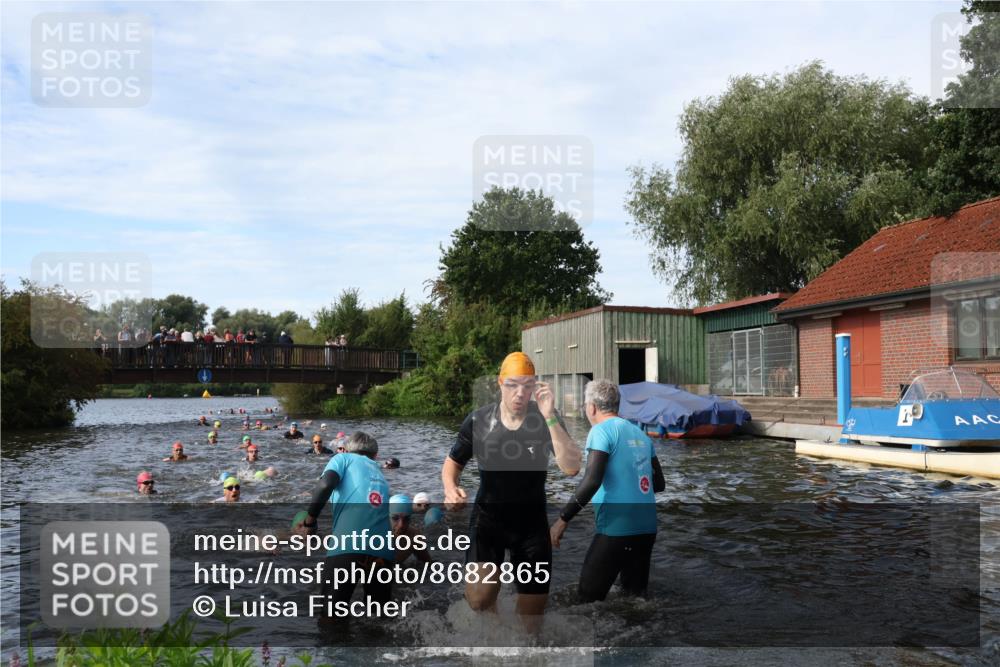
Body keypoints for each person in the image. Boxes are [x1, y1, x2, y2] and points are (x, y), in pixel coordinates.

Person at [441, 351, 581, 628]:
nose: (520, 393)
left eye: (527, 386)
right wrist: (450, 488)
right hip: (488, 521)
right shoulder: (479, 420)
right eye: (513, 385)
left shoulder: (546, 419)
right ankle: (495, 629)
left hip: (531, 527)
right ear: (500, 383)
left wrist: (550, 417)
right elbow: (452, 464)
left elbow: (572, 468)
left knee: (531, 624)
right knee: (479, 599)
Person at [549, 379, 665, 602]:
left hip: (616, 527)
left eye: (585, 405)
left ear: (592, 407)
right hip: (647, 528)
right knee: (634, 600)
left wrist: (562, 519)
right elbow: (659, 485)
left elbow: (592, 480)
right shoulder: (641, 434)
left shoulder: (600, 431)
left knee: (585, 600)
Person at [295, 432, 394, 620]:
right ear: (375, 455)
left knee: (331, 618)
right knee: (379, 620)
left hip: (348, 545)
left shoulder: (342, 459)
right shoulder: (379, 472)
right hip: (383, 551)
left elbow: (325, 484)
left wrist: (310, 520)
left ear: (347, 450)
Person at [389, 494, 430, 565]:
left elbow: (428, 564)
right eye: (395, 518)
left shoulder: (415, 538)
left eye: (406, 519)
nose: (401, 525)